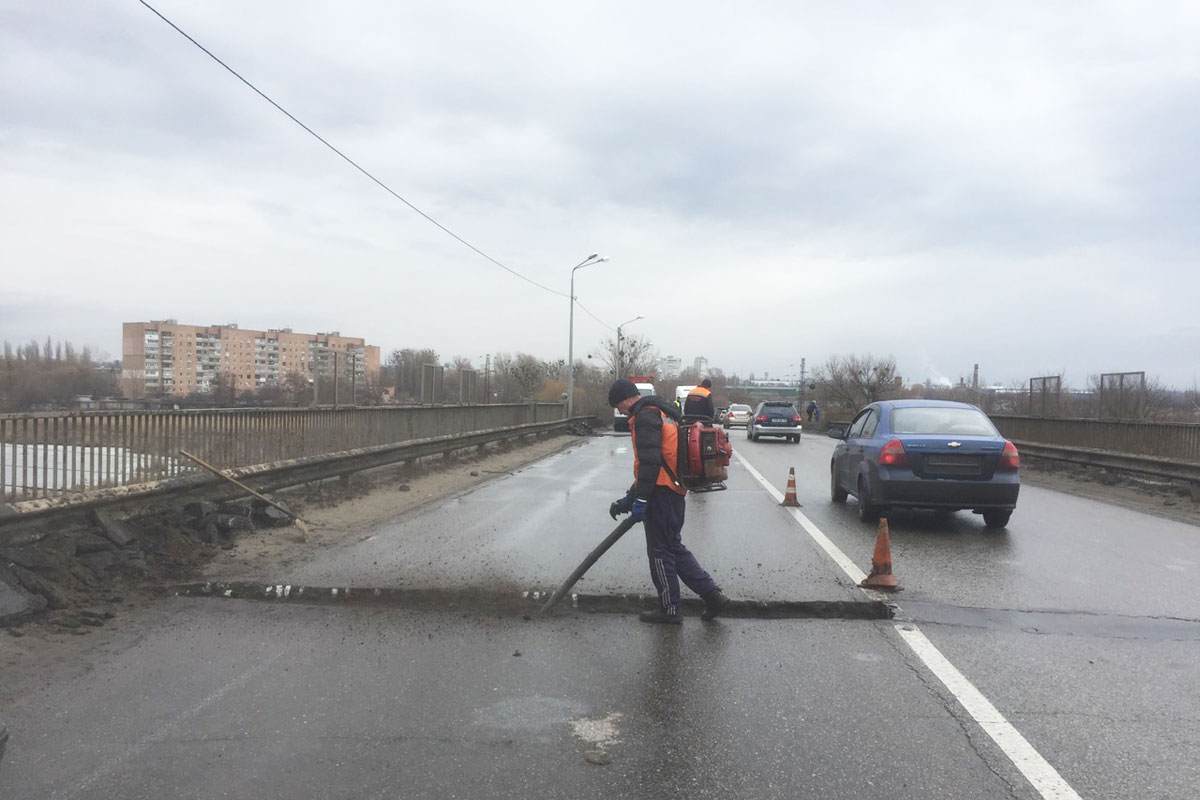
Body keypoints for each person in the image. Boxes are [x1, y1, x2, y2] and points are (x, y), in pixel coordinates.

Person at [607, 378, 730, 624]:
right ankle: (712, 595)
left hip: (660, 494)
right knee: (674, 548)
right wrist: (629, 499)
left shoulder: (644, 418)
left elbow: (651, 464)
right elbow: (656, 462)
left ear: (624, 399)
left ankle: (669, 609)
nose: (619, 411)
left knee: (660, 553)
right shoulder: (663, 412)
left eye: (618, 405)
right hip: (674, 490)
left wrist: (641, 499)